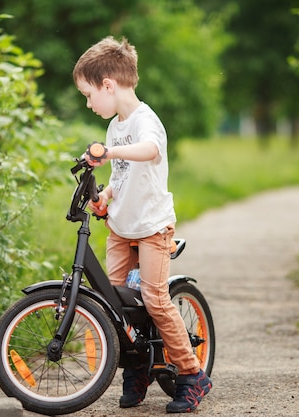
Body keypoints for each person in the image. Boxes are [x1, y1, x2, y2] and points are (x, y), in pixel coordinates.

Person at [72, 36, 212, 414]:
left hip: (152, 228)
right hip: (121, 228)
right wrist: (105, 198)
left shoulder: (145, 120)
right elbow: (120, 176)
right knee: (116, 302)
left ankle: (191, 372)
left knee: (154, 297)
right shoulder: (114, 128)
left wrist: (110, 151)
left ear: (108, 85)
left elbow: (149, 151)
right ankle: (136, 368)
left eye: (88, 94)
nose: (88, 103)